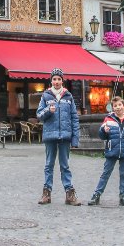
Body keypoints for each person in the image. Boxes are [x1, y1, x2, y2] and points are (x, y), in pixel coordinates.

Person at [36, 68, 81, 206]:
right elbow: (39, 115)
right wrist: (48, 111)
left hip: (65, 137)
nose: (56, 81)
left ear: (62, 80)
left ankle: (69, 194)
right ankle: (46, 194)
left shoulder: (68, 96)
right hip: (50, 136)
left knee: (65, 166)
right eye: (54, 79)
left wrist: (75, 138)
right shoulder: (46, 96)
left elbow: (74, 118)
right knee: (49, 165)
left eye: (59, 79)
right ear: (51, 81)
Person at [88, 96, 124, 207]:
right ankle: (96, 195)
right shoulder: (108, 119)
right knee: (105, 174)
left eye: (119, 105)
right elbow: (101, 136)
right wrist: (104, 130)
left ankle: (123, 197)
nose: (118, 108)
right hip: (112, 151)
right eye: (115, 106)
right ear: (112, 108)